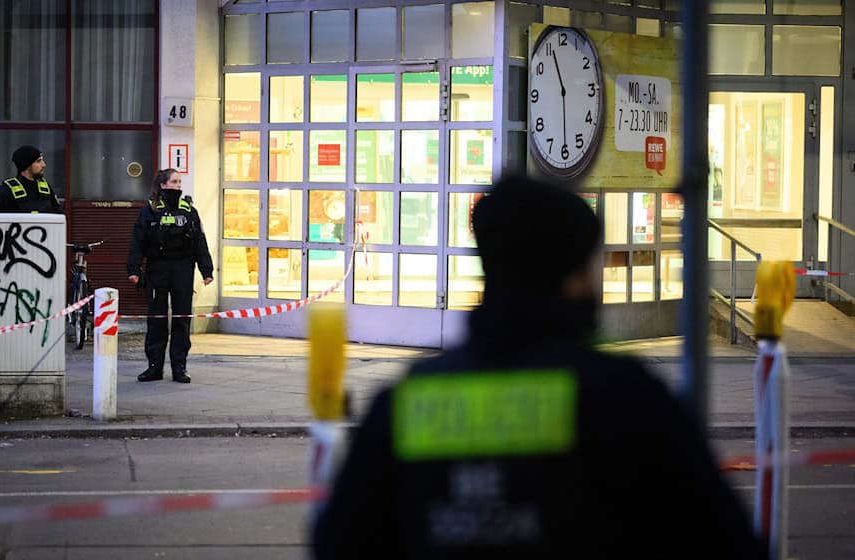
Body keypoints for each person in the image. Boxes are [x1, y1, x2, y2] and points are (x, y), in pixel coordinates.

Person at [312, 175, 765, 559]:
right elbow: (721, 538)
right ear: (574, 276)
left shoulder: (406, 401)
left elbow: (340, 541)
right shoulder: (626, 399)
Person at [127, 169, 214, 384]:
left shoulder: (189, 210)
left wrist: (207, 270)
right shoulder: (150, 210)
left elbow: (199, 240)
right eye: (174, 181)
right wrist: (133, 269)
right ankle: (154, 367)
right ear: (163, 185)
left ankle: (179, 367)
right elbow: (138, 240)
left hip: (183, 268)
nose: (178, 185)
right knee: (156, 318)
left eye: (180, 181)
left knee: (181, 318)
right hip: (157, 268)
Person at [0, 145, 63, 213]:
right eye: (38, 161)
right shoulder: (5, 192)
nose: (43, 165)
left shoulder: (45, 188)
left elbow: (58, 217)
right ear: (27, 165)